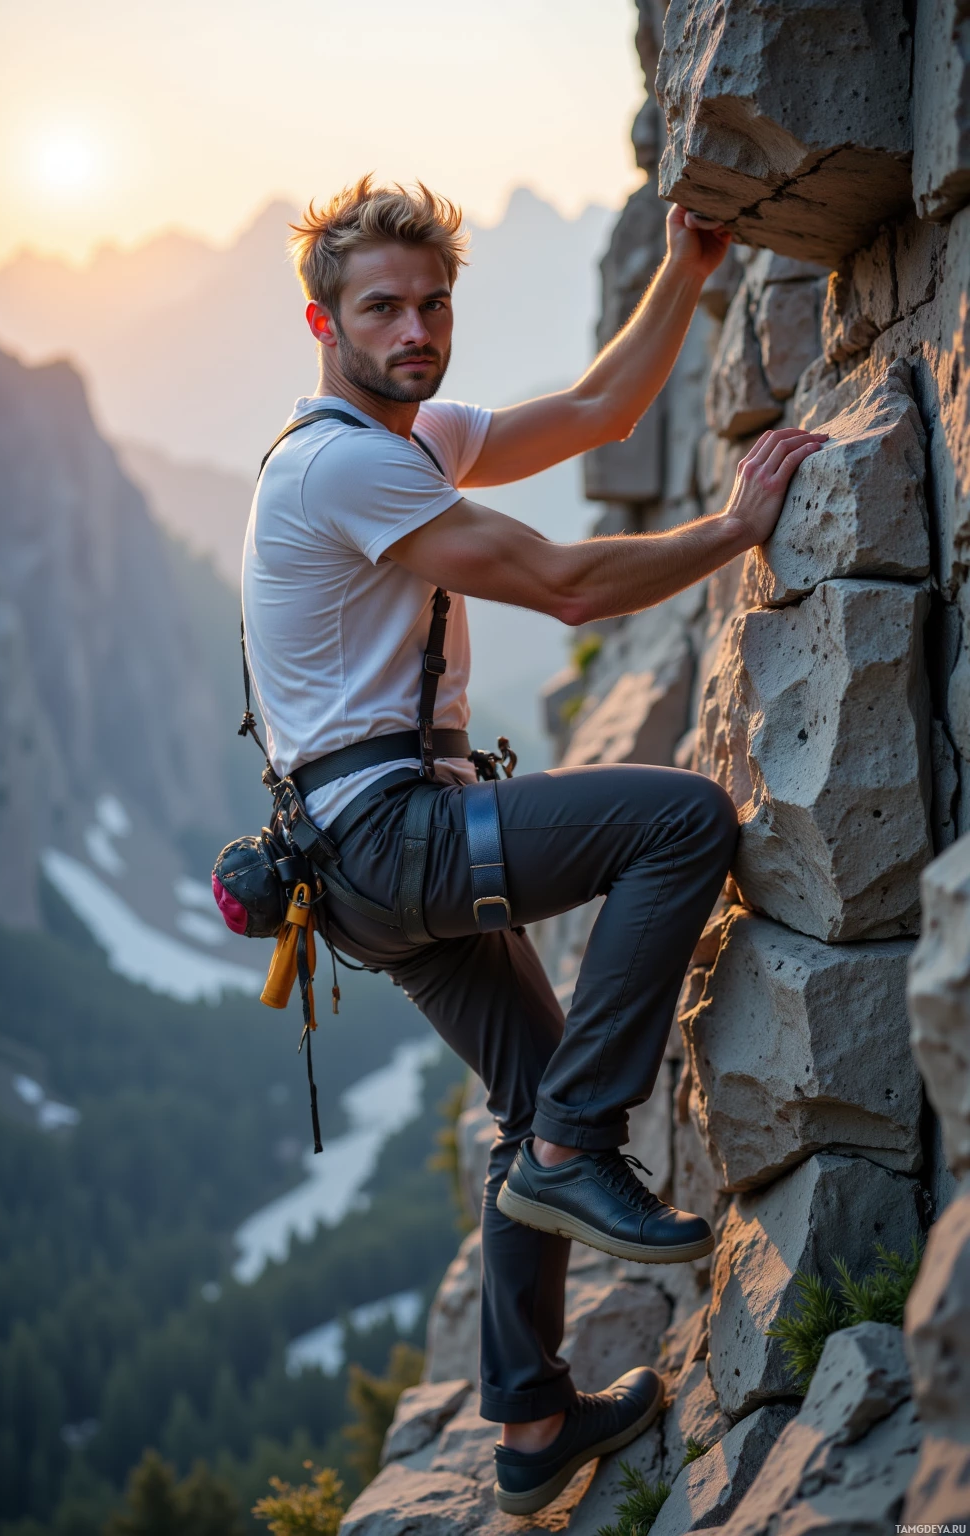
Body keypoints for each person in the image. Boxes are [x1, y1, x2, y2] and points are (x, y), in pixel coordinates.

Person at [241, 178, 826, 1515]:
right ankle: (580, 1151)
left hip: (352, 876)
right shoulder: (344, 461)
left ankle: (532, 1424)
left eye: (433, 303)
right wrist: (735, 529)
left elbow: (596, 416)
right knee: (679, 821)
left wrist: (685, 268)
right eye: (382, 307)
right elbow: (563, 579)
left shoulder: (404, 437)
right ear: (321, 319)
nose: (415, 329)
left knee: (527, 1109)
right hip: (393, 838)